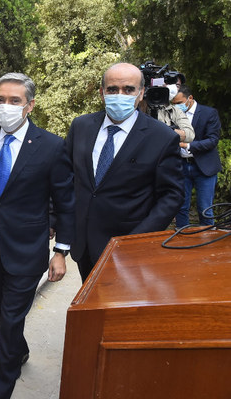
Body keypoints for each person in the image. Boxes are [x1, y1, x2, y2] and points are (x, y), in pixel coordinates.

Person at [0, 72, 75, 399]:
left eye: (14, 101)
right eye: (0, 100)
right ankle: (19, 349)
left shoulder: (51, 146)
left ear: (30, 105)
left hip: (27, 250)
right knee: (3, 309)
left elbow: (66, 203)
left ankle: (0, 391)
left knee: (9, 321)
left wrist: (61, 251)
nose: (5, 106)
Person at [65, 62, 184, 282]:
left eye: (128, 89)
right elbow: (66, 177)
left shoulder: (162, 137)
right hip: (84, 244)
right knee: (91, 312)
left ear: (140, 94)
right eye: (112, 89)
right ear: (102, 93)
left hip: (130, 248)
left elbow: (172, 195)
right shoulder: (81, 126)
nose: (120, 95)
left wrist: (135, 240)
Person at [172, 85, 222, 228]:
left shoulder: (209, 113)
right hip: (181, 166)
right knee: (181, 206)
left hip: (204, 167)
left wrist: (187, 145)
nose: (175, 106)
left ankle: (207, 241)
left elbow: (212, 140)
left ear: (190, 98)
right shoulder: (172, 114)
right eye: (173, 104)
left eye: (178, 103)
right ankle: (181, 238)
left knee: (204, 208)